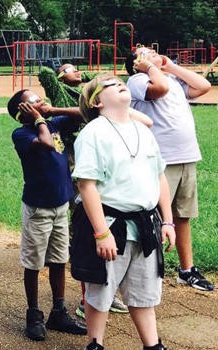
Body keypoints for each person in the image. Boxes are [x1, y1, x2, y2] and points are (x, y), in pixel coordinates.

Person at [72, 75, 176, 350]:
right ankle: (95, 344)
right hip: (110, 224)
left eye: (120, 81)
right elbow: (87, 185)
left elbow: (160, 177)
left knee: (144, 294)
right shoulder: (93, 133)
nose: (119, 84)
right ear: (96, 102)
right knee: (100, 292)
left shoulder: (143, 131)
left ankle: (153, 346)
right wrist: (101, 233)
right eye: (109, 84)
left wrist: (167, 221)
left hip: (144, 225)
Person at [126, 47, 214, 292]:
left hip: (187, 156)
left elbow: (203, 86)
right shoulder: (137, 80)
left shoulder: (172, 78)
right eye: (145, 52)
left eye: (154, 51)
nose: (154, 52)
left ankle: (187, 270)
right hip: (162, 160)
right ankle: (144, 274)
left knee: (182, 216)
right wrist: (151, 68)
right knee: (153, 218)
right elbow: (160, 89)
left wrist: (170, 66)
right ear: (137, 63)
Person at [8, 89, 87, 341]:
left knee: (58, 259)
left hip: (61, 205)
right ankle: (33, 313)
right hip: (38, 209)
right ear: (23, 111)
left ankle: (59, 311)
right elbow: (47, 143)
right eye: (34, 101)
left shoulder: (53, 122)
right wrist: (41, 120)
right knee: (33, 263)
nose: (41, 101)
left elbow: (85, 113)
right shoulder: (22, 133)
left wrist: (51, 112)